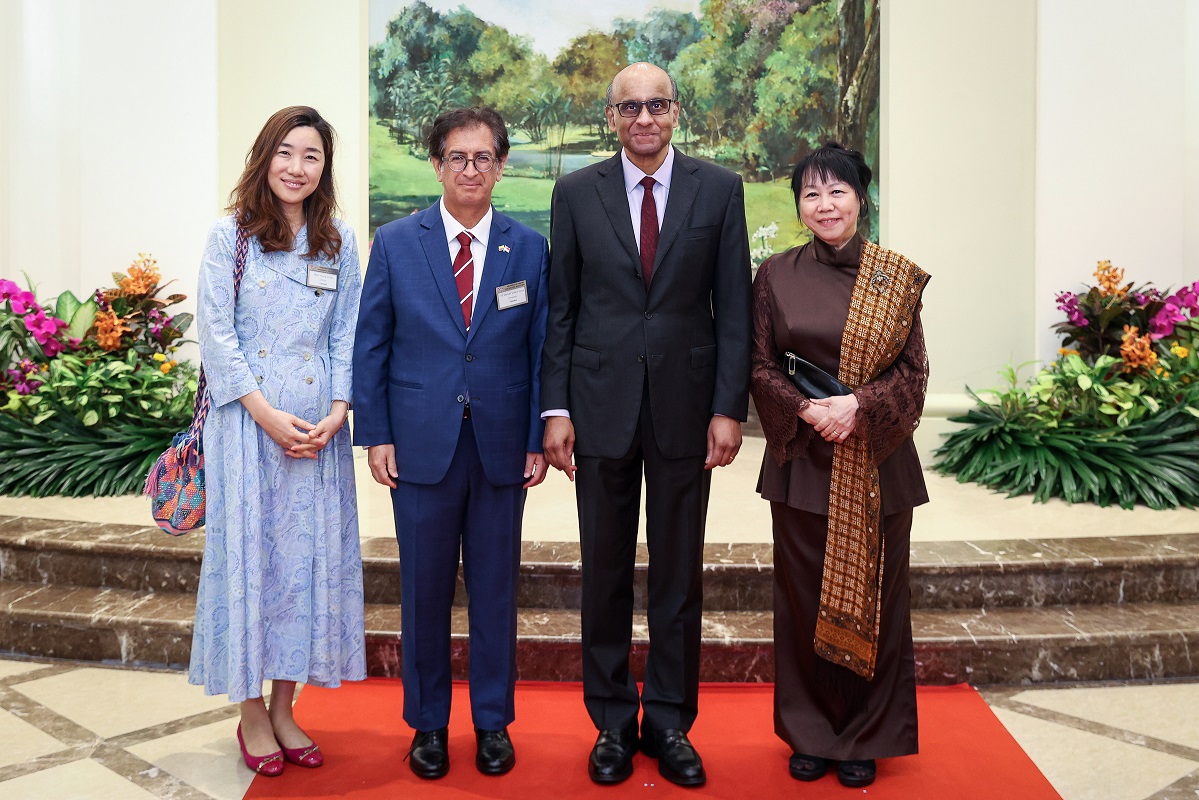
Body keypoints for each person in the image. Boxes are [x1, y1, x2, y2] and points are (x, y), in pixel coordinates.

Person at [541, 62, 752, 787]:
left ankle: (666, 721)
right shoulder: (574, 193)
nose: (642, 118)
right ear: (610, 117)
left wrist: (728, 409)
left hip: (686, 414)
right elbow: (560, 309)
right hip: (595, 410)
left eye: (655, 105)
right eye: (628, 106)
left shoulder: (719, 190)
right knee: (601, 574)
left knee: (677, 577)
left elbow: (735, 312)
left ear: (675, 111)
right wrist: (556, 409)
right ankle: (608, 723)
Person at [353, 106, 549, 780]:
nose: (471, 169)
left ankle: (492, 723)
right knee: (425, 592)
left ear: (501, 166)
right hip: (419, 445)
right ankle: (428, 725)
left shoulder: (528, 247)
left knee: (495, 593)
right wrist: (375, 433)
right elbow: (371, 343)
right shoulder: (396, 241)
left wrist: (534, 438)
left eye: (484, 157)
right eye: (457, 157)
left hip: (499, 448)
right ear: (435, 164)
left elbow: (538, 351)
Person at [189, 106, 365, 777]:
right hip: (247, 427)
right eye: (285, 153)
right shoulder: (229, 235)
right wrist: (264, 414)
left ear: (324, 168)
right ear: (264, 158)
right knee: (248, 563)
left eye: (312, 156)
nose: (297, 167)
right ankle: (250, 713)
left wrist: (339, 410)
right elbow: (217, 337)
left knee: (306, 566)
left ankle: (287, 705)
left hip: (317, 433)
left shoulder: (339, 239)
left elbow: (347, 332)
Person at [749, 142, 930, 788]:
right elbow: (760, 364)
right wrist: (807, 410)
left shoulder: (895, 276)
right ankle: (808, 733)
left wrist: (857, 405)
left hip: (878, 465)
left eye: (837, 192)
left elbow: (913, 373)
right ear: (798, 206)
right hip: (804, 464)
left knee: (878, 602)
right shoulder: (774, 276)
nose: (824, 205)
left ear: (860, 198)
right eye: (810, 194)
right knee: (799, 600)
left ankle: (862, 736)